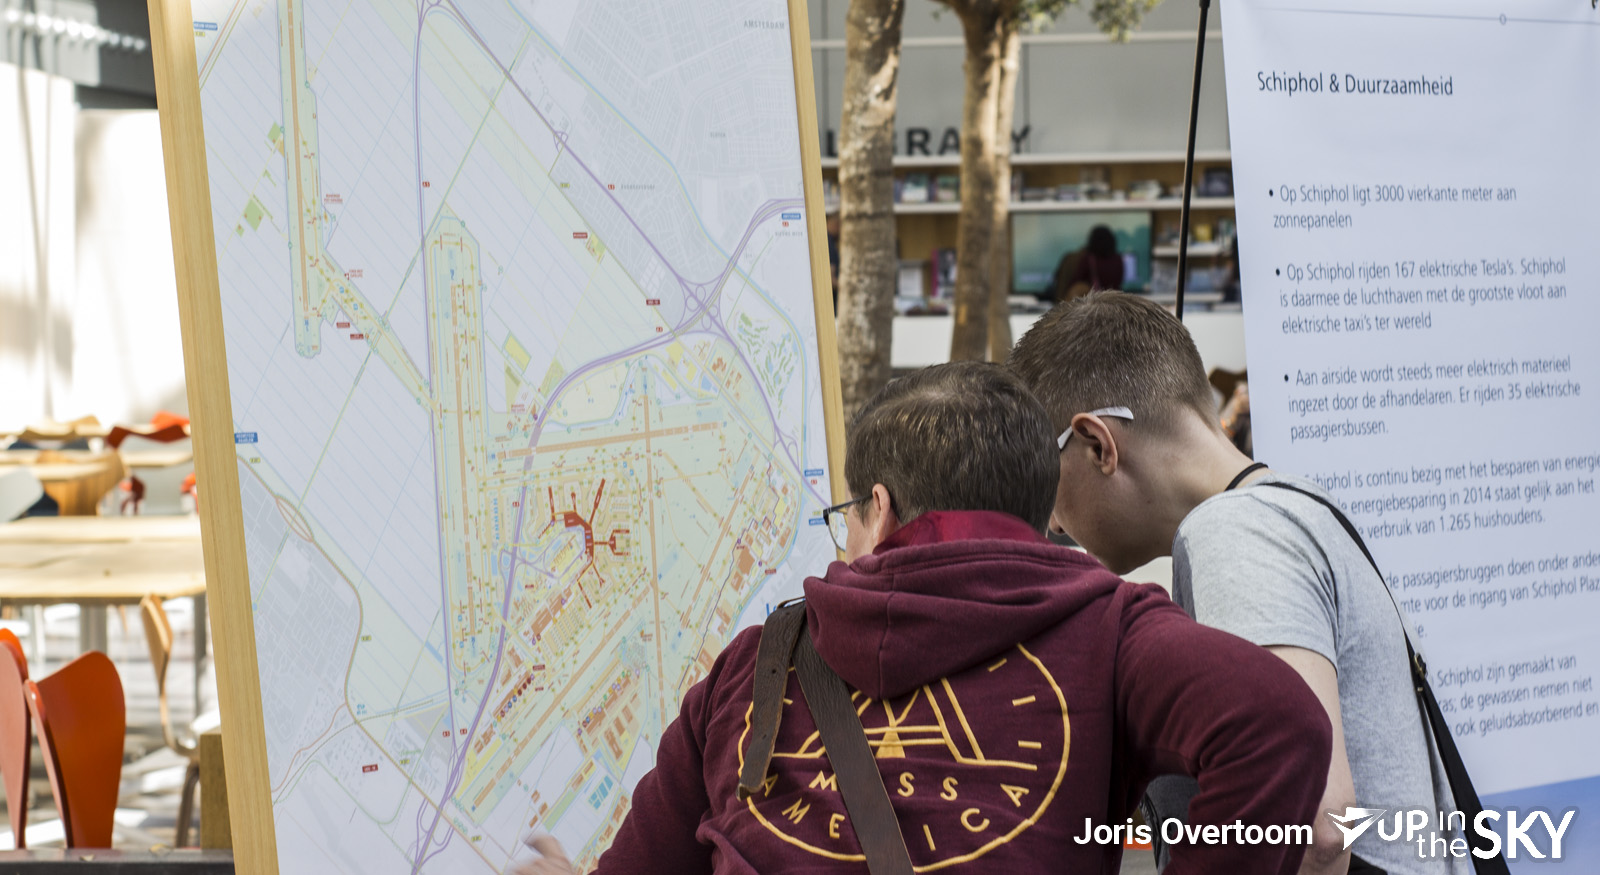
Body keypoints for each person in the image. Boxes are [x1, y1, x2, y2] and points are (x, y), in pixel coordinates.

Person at [513, 361, 1331, 874]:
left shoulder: (759, 663)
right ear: (1037, 504)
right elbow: (1280, 722)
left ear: (877, 508)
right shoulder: (1115, 633)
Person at [1008, 292, 1463, 875]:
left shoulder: (1234, 534)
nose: (1050, 521)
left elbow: (1314, 827)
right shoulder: (1296, 505)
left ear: (1098, 443)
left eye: (1046, 477)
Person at [1051, 223, 1124, 302]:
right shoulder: (1118, 259)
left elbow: (1076, 280)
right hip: (1114, 301)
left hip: (1093, 303)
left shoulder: (1089, 258)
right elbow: (1118, 281)